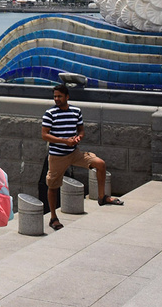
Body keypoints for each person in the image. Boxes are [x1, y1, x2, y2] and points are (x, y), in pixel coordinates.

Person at [43, 83, 123, 231]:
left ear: (67, 97)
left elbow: (81, 130)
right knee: (53, 186)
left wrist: (78, 138)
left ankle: (101, 197)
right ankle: (53, 217)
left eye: (59, 96)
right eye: (55, 96)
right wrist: (64, 141)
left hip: (74, 153)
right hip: (57, 156)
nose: (56, 99)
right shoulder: (50, 114)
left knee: (100, 164)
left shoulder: (76, 111)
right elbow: (44, 135)